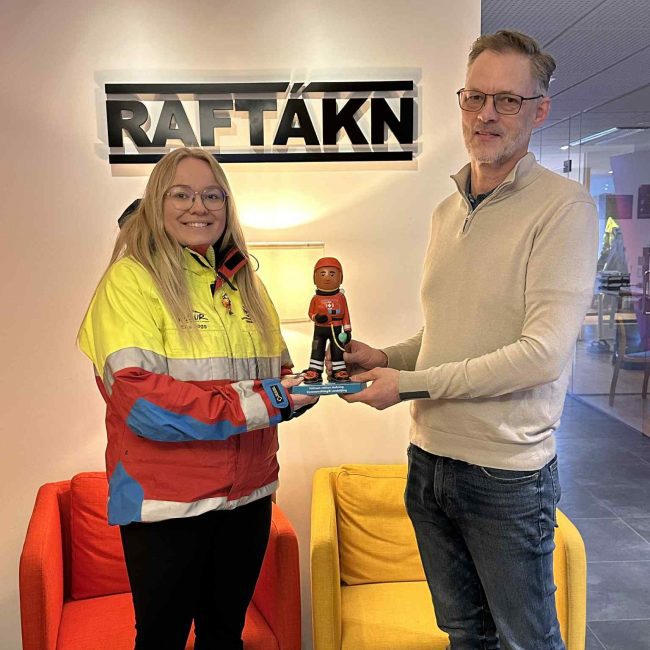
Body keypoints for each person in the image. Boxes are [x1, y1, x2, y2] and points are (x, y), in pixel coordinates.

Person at [342, 30, 598, 649]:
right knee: (463, 635)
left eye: (508, 100)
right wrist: (386, 357)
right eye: (475, 97)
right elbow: (447, 334)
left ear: (539, 110)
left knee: (526, 641)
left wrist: (408, 383)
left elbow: (541, 355)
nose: (486, 114)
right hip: (428, 463)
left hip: (505, 475)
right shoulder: (446, 211)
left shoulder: (564, 209)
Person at [78, 147, 317, 650]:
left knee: (225, 635)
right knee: (161, 640)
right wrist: (268, 401)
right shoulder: (131, 280)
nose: (198, 207)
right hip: (164, 503)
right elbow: (143, 404)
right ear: (156, 202)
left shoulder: (246, 284)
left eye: (212, 195)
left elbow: (277, 375)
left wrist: (311, 385)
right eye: (181, 194)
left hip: (248, 497)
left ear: (227, 205)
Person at [303, 257, 352, 383]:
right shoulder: (315, 298)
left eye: (332, 274)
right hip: (319, 329)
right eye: (322, 274)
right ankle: (315, 369)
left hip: (336, 328)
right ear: (315, 278)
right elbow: (311, 313)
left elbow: (346, 314)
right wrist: (316, 317)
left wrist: (347, 330)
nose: (327, 278)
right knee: (317, 348)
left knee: (337, 349)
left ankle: (339, 370)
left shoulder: (341, 297)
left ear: (340, 277)